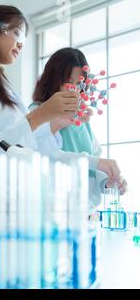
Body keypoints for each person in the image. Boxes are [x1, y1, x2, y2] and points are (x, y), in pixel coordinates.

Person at [0, 5, 123, 230]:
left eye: (24, 38)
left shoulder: (2, 89)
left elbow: (34, 153)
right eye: (17, 33)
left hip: (6, 215)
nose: (21, 43)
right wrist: (39, 116)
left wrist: (57, 126)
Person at [30, 47, 127, 208]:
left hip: (85, 215)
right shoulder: (38, 112)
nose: (75, 89)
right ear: (53, 80)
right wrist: (97, 162)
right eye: (68, 82)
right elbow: (46, 155)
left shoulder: (82, 119)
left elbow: (94, 165)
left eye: (80, 83)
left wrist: (108, 181)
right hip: (53, 213)